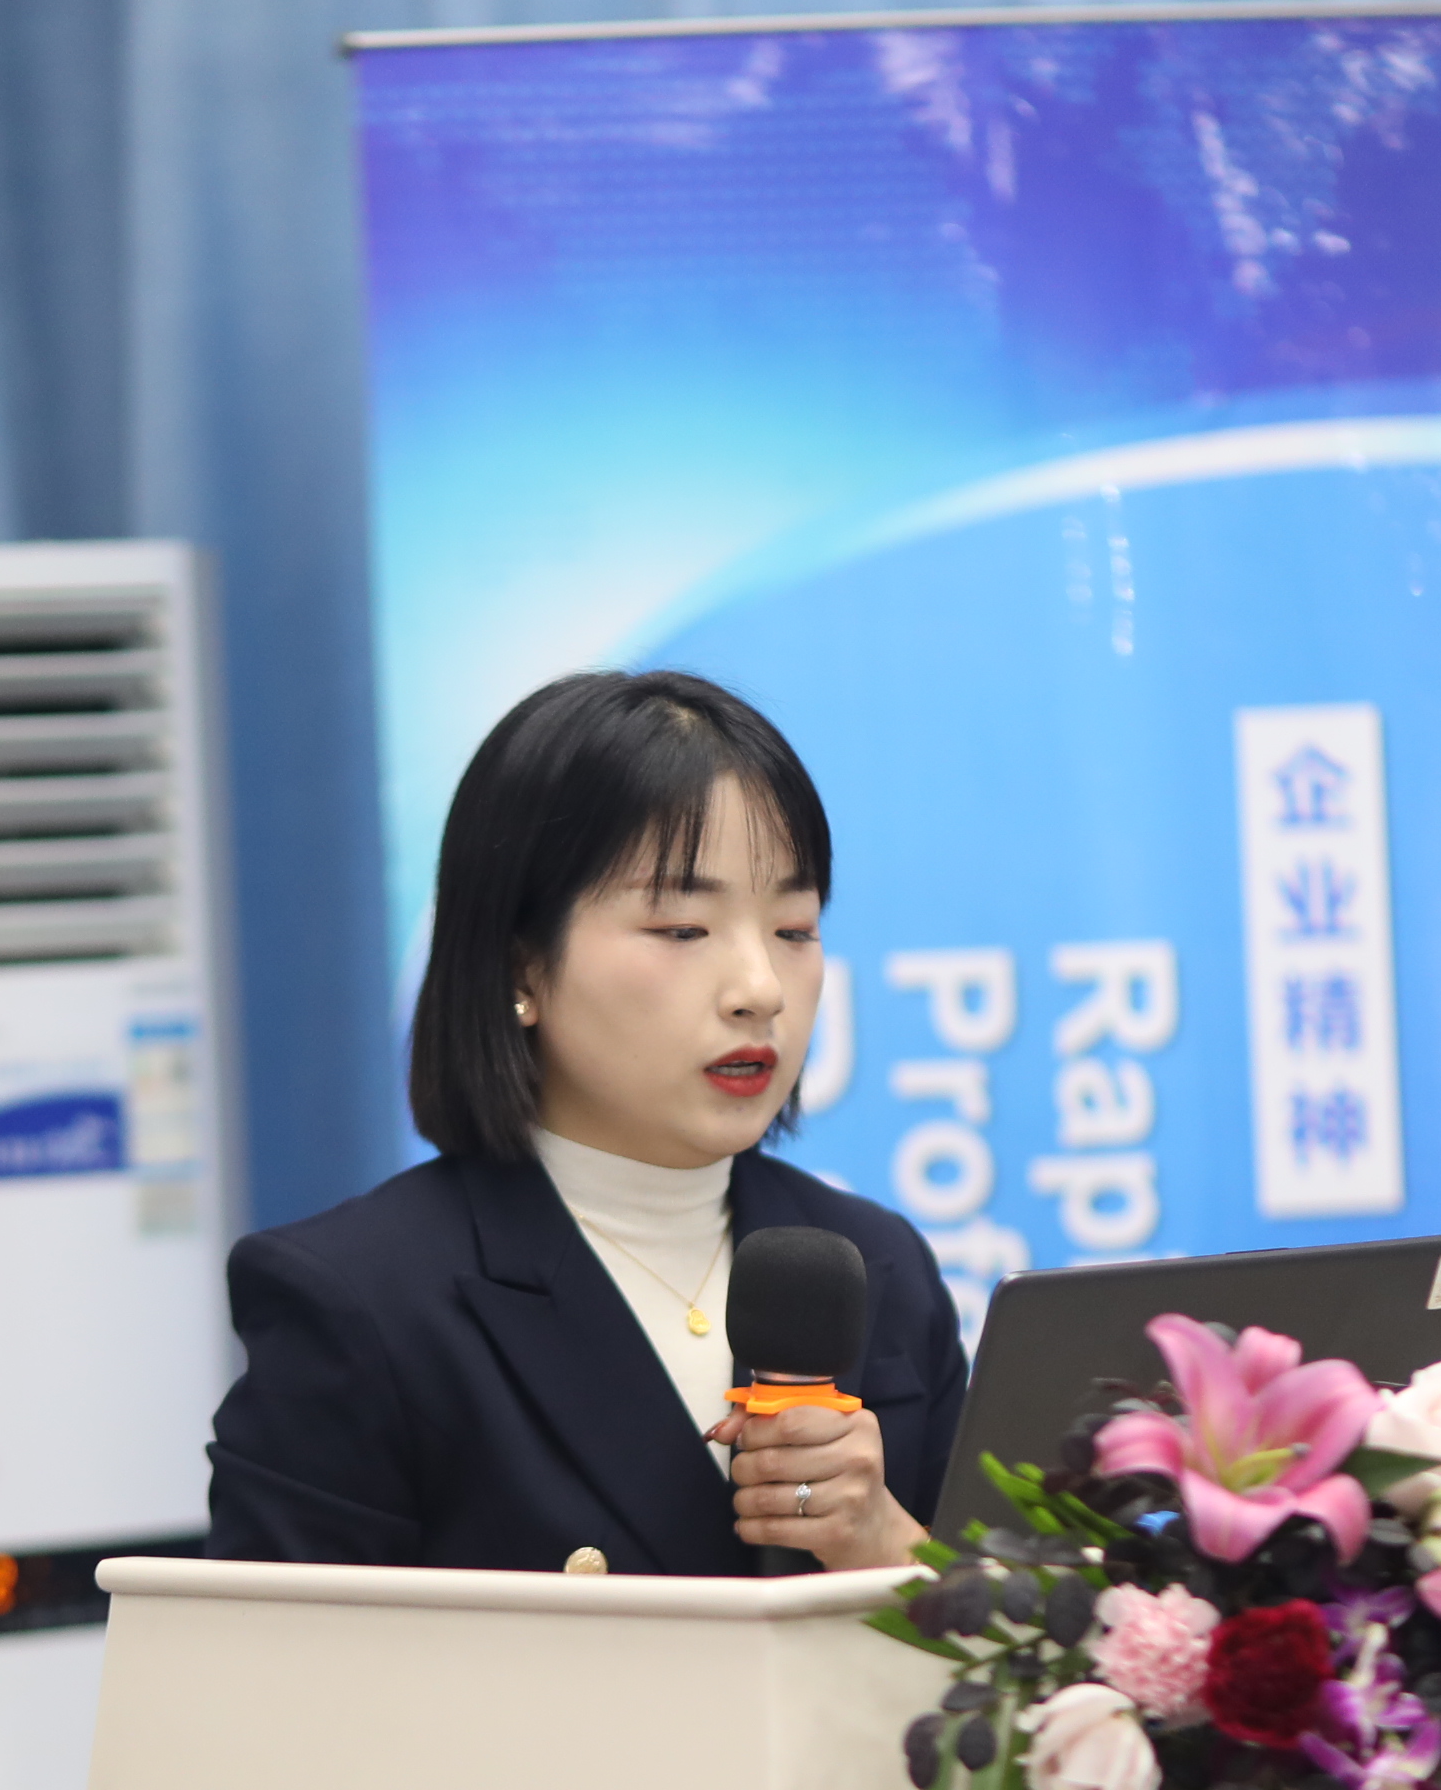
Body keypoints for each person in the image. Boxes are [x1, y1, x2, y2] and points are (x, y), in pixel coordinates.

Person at [204, 671, 963, 1574]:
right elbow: (268, 1661)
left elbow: (1014, 1644)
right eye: (682, 929)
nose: (761, 990)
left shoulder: (878, 1265)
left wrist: (884, 1541)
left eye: (793, 930)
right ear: (521, 966)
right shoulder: (360, 1303)